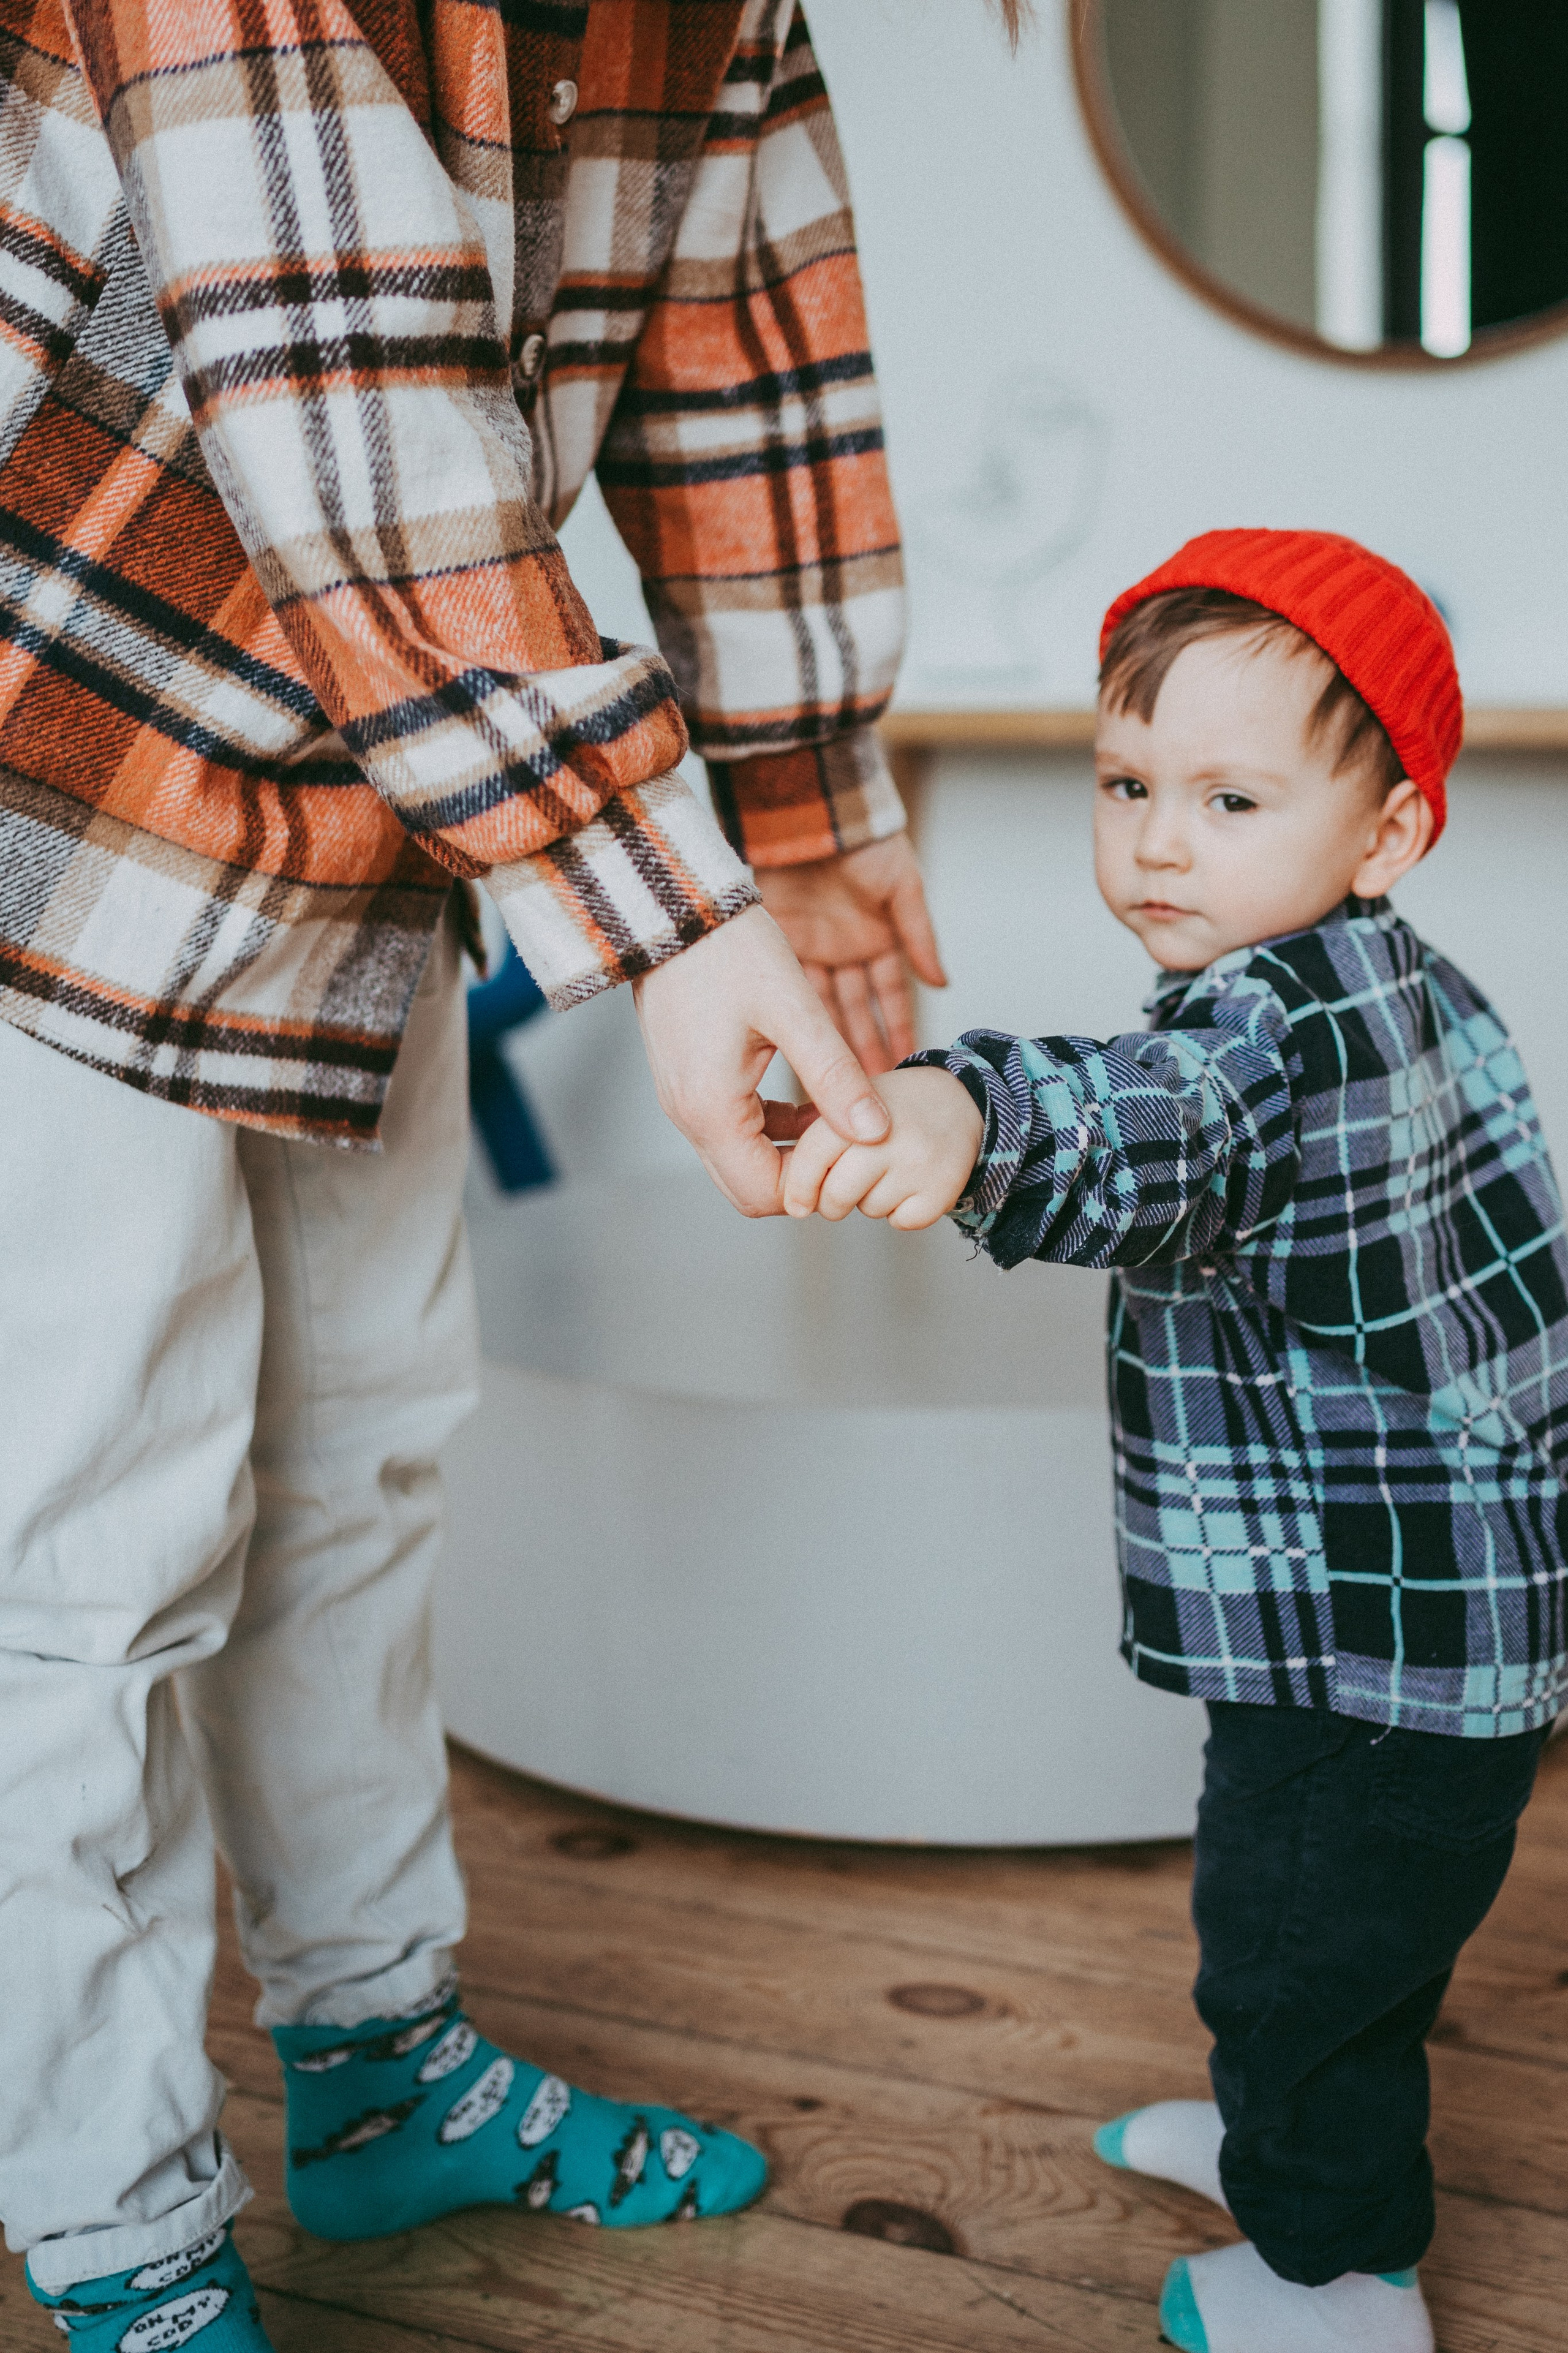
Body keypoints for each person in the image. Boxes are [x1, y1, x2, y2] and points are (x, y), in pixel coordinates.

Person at [0, 1, 978, 2343]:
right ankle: (124, 2227)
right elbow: (355, 413)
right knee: (81, 1557)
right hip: (59, 790)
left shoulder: (721, 11)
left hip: (375, 808)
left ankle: (373, 2063)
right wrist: (668, 908)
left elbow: (755, 360)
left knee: (368, 1457)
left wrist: (816, 816)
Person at [785, 529, 1568, 2353]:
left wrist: (960, 1113)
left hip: (1361, 1650)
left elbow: (1148, 1120)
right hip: (1454, 1616)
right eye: (1127, 782)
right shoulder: (1421, 987)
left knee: (1297, 1950)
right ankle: (1291, 2130)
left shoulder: (1262, 1038)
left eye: (1229, 797)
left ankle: (1333, 2272)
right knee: (1341, 1942)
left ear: (1384, 833)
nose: (1155, 841)